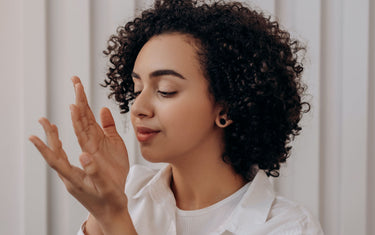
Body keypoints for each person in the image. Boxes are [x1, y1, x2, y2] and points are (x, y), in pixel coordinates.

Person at [29, 0, 324, 234]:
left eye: (166, 90)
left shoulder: (288, 227)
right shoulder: (130, 194)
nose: (138, 107)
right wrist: (103, 206)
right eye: (137, 89)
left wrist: (115, 218)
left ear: (227, 107)